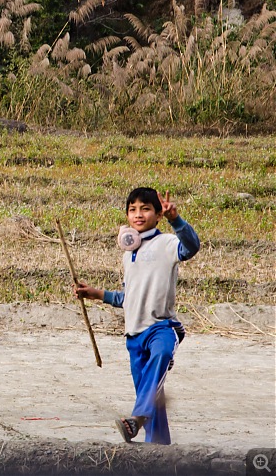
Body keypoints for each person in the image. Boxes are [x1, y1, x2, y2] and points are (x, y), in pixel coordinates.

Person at [75, 187, 200, 445]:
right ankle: (158, 448)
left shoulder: (166, 244)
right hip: (133, 336)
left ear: (157, 214)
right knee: (151, 391)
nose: (138, 214)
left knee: (162, 355)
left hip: (162, 328)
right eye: (132, 210)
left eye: (145, 209)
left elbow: (191, 247)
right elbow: (127, 297)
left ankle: (137, 419)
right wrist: (95, 294)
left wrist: (175, 219)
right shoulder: (128, 254)